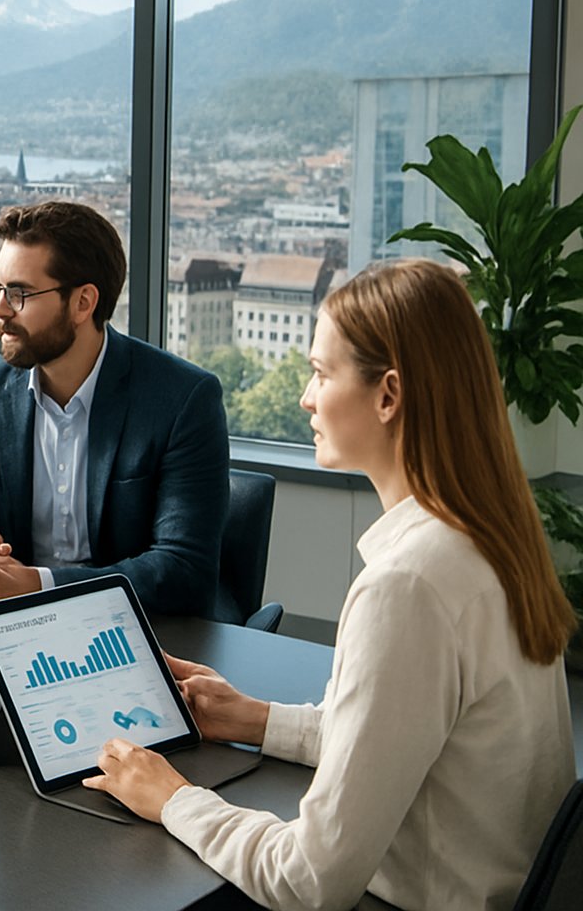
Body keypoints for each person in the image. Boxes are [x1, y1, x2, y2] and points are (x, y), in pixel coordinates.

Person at [85, 259, 577, 911]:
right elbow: (405, 739)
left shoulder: (407, 587)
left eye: (320, 373)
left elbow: (308, 881)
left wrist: (172, 797)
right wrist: (256, 719)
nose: (305, 398)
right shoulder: (490, 538)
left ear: (388, 395)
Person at [0, 200, 229, 614]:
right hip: (19, 629)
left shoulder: (182, 399)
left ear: (83, 303)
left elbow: (183, 570)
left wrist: (33, 585)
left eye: (19, 293)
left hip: (141, 632)